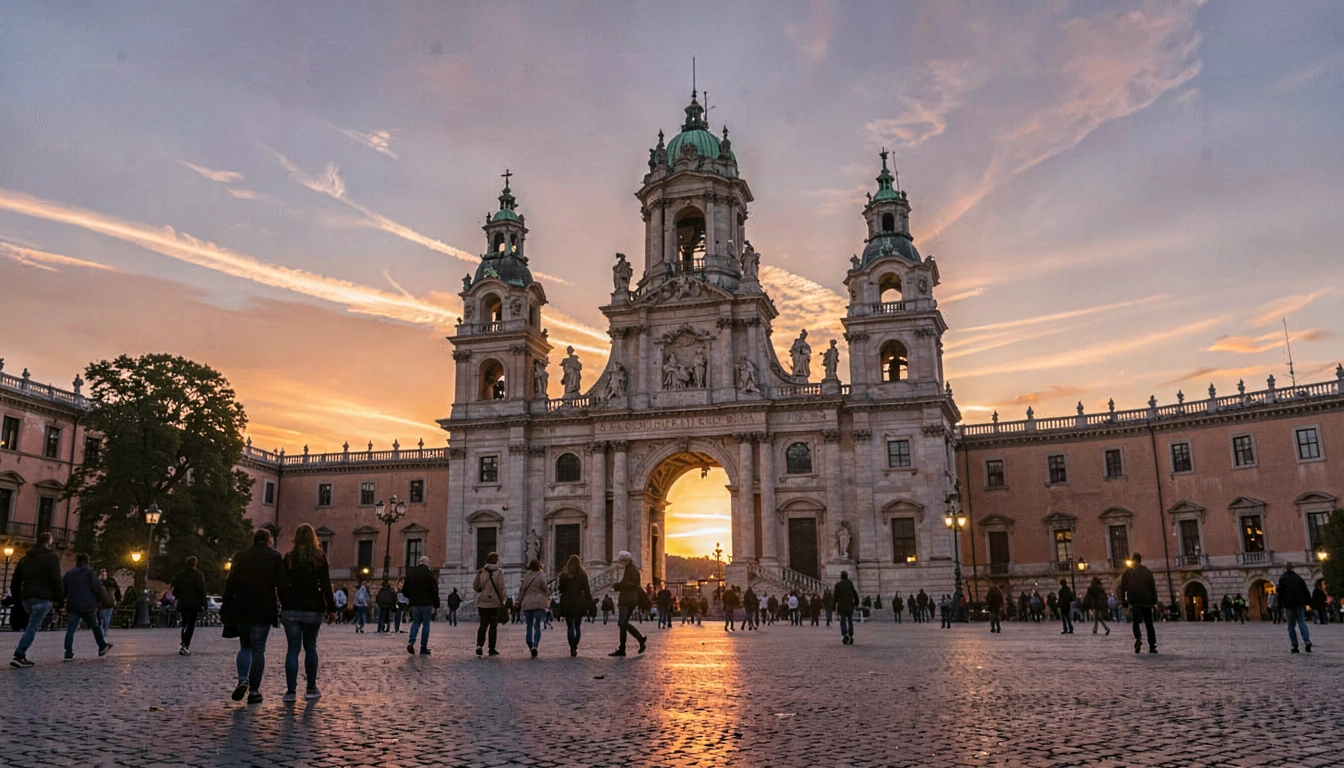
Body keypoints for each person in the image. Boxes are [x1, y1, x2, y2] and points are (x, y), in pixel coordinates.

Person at [222, 529, 286, 704]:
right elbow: (281, 584)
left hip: (242, 606)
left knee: (245, 645)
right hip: (264, 608)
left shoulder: (241, 556)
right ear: (268, 540)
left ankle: (243, 678)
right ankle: (254, 691)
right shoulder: (274, 557)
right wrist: (285, 606)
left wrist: (225, 604)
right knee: (259, 649)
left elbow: (231, 582)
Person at [279, 523, 337, 703]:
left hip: (292, 608)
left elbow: (282, 584)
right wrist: (331, 608)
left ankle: (290, 691)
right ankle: (311, 687)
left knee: (292, 650)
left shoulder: (289, 557)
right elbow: (326, 585)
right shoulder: (320, 557)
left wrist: (285, 603)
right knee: (310, 647)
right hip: (313, 607)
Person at [10, 532, 64, 668]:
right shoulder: (51, 558)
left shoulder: (24, 559)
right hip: (43, 597)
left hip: (27, 597)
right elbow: (56, 579)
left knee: (31, 625)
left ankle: (21, 654)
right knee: (33, 626)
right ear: (49, 542)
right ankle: (19, 654)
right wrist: (60, 599)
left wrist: (17, 599)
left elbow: (15, 581)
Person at [60, 552, 113, 662]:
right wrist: (100, 601)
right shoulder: (90, 573)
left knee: (71, 629)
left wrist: (62, 602)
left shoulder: (69, 573)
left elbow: (63, 589)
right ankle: (102, 646)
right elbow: (97, 588)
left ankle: (68, 653)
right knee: (95, 626)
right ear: (87, 561)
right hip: (87, 605)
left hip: (73, 604)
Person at [1118, 552, 1158, 654]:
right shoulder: (1147, 571)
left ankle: (1138, 637)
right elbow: (1152, 587)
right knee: (1149, 623)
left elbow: (1123, 588)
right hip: (1146, 600)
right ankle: (1152, 646)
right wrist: (1154, 600)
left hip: (1134, 600)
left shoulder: (1128, 572)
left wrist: (1124, 601)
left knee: (1136, 621)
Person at [609, 551, 648, 656]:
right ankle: (623, 648)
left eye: (621, 561)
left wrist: (616, 586)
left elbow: (629, 584)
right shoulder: (633, 569)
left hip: (627, 599)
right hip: (631, 599)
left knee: (622, 623)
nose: (620, 563)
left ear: (625, 560)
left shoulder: (630, 570)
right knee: (623, 624)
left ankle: (639, 639)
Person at [169, 556, 208, 656]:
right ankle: (186, 644)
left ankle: (184, 643)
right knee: (190, 624)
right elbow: (202, 590)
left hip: (183, 603)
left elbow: (174, 589)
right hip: (194, 603)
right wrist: (204, 603)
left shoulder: (180, 575)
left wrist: (178, 596)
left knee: (184, 623)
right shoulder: (198, 575)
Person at [402, 556, 439, 656]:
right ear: (426, 563)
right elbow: (434, 590)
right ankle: (423, 648)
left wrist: (411, 598)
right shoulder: (429, 574)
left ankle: (411, 641)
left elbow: (404, 589)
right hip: (426, 603)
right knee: (426, 625)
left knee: (416, 622)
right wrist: (436, 604)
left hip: (415, 603)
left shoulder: (411, 573)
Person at [473, 551, 507, 656]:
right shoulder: (499, 572)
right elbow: (501, 589)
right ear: (496, 561)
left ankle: (479, 645)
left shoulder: (481, 572)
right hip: (494, 603)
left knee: (483, 625)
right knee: (493, 626)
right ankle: (491, 648)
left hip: (482, 602)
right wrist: (503, 600)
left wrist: (483, 589)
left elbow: (475, 587)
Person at [558, 555, 593, 657]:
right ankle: (575, 645)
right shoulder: (582, 575)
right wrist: (590, 604)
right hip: (579, 602)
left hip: (567, 601)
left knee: (570, 626)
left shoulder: (564, 575)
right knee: (577, 626)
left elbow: (560, 589)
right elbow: (587, 590)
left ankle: (572, 647)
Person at [1276, 562, 1313, 653]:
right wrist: (1308, 603)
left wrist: (1280, 604)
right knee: (1302, 622)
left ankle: (1294, 645)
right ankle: (1307, 640)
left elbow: (1280, 592)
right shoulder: (1298, 578)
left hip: (1289, 604)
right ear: (1293, 568)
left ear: (1285, 568)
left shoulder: (1283, 578)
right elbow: (1305, 591)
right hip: (1300, 603)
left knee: (1291, 625)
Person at [518, 559, 549, 658]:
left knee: (529, 625)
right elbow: (545, 588)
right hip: (539, 603)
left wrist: (519, 601)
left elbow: (522, 590)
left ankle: (529, 643)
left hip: (527, 602)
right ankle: (535, 646)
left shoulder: (526, 576)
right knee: (537, 626)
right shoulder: (541, 575)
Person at [833, 571, 860, 645]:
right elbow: (855, 594)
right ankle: (850, 634)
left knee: (843, 620)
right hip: (850, 605)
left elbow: (835, 596)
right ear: (847, 576)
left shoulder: (838, 585)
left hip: (842, 606)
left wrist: (833, 605)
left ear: (841, 576)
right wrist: (856, 602)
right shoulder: (850, 584)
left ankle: (845, 634)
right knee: (850, 620)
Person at [97, 569, 120, 634]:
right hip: (102, 603)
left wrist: (117, 600)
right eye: (102, 572)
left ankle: (104, 630)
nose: (103, 573)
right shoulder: (98, 581)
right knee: (102, 616)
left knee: (106, 618)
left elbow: (117, 591)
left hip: (109, 601)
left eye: (104, 572)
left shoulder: (111, 581)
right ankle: (103, 630)